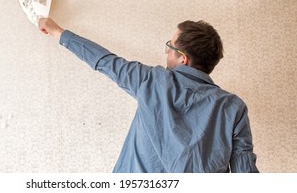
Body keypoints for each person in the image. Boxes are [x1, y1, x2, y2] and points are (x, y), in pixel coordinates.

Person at [37, 17, 259, 173]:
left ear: (183, 58)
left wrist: (58, 31)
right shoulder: (234, 107)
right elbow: (245, 175)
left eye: (169, 46)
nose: (166, 51)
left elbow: (105, 61)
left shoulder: (152, 80)